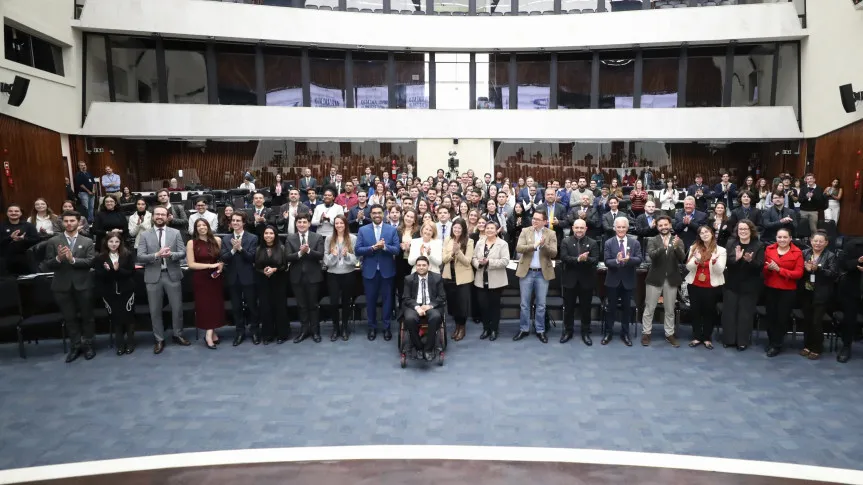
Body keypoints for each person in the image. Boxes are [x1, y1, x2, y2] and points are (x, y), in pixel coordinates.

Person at [44, 211, 96, 362]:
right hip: (62, 286)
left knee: (87, 317)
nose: (69, 223)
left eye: (72, 220)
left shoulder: (87, 241)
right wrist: (58, 258)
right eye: (66, 221)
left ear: (78, 222)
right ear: (62, 223)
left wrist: (73, 260)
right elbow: (48, 264)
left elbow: (90, 262)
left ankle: (88, 344)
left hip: (83, 284)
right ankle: (75, 345)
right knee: (70, 318)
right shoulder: (54, 241)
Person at [138, 206, 190, 354]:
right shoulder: (145, 235)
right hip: (153, 276)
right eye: (157, 214)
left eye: (163, 214)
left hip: (172, 274)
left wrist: (171, 255)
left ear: (167, 217)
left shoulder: (175, 233)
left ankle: (178, 335)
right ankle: (159, 339)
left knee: (177, 308)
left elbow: (182, 253)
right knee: (155, 311)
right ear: (153, 217)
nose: (160, 216)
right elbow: (140, 257)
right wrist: (156, 255)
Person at [355, 204, 401, 341]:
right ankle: (372, 328)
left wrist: (385, 247)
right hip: (370, 272)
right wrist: (373, 248)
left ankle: (387, 328)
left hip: (387, 272)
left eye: (379, 213)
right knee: (371, 301)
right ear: (370, 215)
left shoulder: (391, 230)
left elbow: (397, 250)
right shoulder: (363, 230)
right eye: (374, 213)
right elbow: (358, 250)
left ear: (383, 214)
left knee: (388, 301)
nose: (376, 215)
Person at [513, 211, 557, 344]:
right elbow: (519, 248)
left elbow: (554, 253)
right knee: (524, 304)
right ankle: (524, 329)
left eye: (538, 219)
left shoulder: (551, 233)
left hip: (542, 274)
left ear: (545, 221)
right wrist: (534, 246)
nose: (535, 221)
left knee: (541, 305)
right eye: (533, 219)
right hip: (527, 272)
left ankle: (540, 330)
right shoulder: (525, 231)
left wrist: (543, 246)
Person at [641, 215, 684, 347]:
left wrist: (676, 247)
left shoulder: (677, 240)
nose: (664, 227)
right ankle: (646, 333)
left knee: (670, 309)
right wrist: (663, 247)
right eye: (661, 225)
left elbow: (682, 258)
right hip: (654, 278)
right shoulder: (652, 240)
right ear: (657, 227)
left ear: (670, 225)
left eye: (666, 225)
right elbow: (652, 256)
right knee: (650, 308)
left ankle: (669, 334)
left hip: (671, 279)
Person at [721, 219, 764, 351]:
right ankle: (729, 340)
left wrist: (750, 261)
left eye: (745, 229)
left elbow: (760, 266)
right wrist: (736, 259)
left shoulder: (758, 245)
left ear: (751, 230)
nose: (743, 231)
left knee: (745, 314)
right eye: (740, 229)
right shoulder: (731, 243)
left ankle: (742, 341)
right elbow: (726, 262)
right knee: (729, 313)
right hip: (731, 284)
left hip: (750, 285)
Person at [762, 227, 804, 357]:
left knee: (781, 318)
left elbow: (799, 273)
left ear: (790, 238)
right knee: (770, 316)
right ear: (776, 238)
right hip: (770, 287)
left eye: (785, 237)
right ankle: (771, 340)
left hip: (787, 290)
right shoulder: (769, 249)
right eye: (779, 237)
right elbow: (763, 269)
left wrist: (780, 270)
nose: (782, 240)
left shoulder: (797, 252)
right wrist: (769, 269)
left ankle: (777, 344)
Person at [220, 212, 260, 346]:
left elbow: (252, 257)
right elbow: (224, 258)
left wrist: (240, 249)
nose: (235, 223)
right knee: (236, 307)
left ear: (243, 223)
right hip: (232, 278)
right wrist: (233, 250)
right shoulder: (226, 239)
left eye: (238, 220)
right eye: (233, 220)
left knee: (252, 306)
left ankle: (254, 331)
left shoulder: (253, 238)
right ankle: (239, 332)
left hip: (248, 277)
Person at [684, 225, 726, 350]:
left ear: (712, 233)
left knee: (709, 312)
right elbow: (688, 268)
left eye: (706, 232)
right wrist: (696, 260)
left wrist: (714, 261)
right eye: (701, 233)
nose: (704, 234)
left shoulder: (721, 250)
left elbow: (720, 270)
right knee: (695, 311)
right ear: (699, 236)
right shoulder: (694, 248)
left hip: (712, 286)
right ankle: (697, 336)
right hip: (695, 285)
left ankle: (707, 338)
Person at [602, 216, 642, 346]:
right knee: (611, 308)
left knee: (626, 309)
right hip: (612, 281)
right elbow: (607, 262)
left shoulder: (635, 243)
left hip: (628, 281)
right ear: (614, 228)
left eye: (623, 227)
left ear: (627, 228)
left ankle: (625, 333)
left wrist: (628, 260)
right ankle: (609, 332)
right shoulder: (608, 242)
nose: (621, 229)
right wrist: (618, 261)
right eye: (618, 227)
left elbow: (639, 259)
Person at [559, 219, 600, 346]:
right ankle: (568, 331)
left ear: (586, 229)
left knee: (585, 309)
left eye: (581, 228)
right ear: (572, 228)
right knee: (569, 309)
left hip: (586, 281)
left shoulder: (592, 242)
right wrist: (578, 259)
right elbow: (564, 258)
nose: (579, 230)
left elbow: (595, 260)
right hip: (569, 280)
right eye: (577, 228)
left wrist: (585, 259)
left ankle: (585, 332)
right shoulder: (566, 241)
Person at [94, 233, 136, 356]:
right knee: (116, 319)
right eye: (111, 241)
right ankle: (120, 344)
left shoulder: (127, 255)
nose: (114, 244)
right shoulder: (100, 258)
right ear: (106, 243)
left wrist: (117, 270)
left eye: (116, 242)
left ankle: (130, 343)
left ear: (120, 243)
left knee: (128, 318)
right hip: (110, 292)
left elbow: (131, 272)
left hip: (126, 291)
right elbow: (99, 275)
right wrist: (109, 271)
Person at [186, 218, 225, 349]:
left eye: (204, 225)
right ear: (195, 229)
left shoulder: (217, 240)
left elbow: (221, 259)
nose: (202, 227)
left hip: (215, 278)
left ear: (208, 226)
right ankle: (209, 335)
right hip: (201, 278)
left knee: (215, 305)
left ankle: (212, 333)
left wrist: (220, 266)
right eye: (199, 226)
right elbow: (191, 264)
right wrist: (210, 265)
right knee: (205, 306)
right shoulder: (191, 243)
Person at [799, 231, 838, 361]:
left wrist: (818, 269)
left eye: (821, 241)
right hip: (806, 291)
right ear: (811, 241)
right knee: (807, 320)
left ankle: (817, 347)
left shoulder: (831, 255)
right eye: (815, 240)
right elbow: (799, 271)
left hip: (822, 293)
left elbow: (833, 274)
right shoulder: (805, 253)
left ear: (826, 243)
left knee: (816, 322)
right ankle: (807, 345)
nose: (818, 243)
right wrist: (806, 269)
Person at [400, 256, 446, 361]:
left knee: (435, 317)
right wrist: (417, 307)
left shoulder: (437, 278)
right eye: (419, 265)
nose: (421, 267)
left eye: (424, 265)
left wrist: (429, 306)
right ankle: (419, 348)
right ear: (416, 267)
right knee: (410, 319)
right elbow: (406, 298)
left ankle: (428, 349)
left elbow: (442, 297)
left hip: (431, 305)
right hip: (414, 306)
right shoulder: (409, 279)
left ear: (428, 266)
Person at [472, 221, 510, 341]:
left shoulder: (502, 244)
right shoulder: (479, 242)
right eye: (487, 228)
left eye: (492, 228)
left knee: (494, 307)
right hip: (480, 279)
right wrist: (478, 263)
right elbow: (473, 258)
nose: (489, 230)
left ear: (497, 230)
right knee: (483, 306)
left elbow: (505, 261)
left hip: (496, 280)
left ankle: (494, 330)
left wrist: (489, 262)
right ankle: (486, 328)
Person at [324, 215, 357, 342]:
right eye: (336, 223)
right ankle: (335, 327)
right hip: (333, 274)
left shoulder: (352, 238)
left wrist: (347, 255)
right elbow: (326, 261)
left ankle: (344, 327)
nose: (339, 226)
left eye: (341, 223)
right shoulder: (328, 239)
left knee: (346, 303)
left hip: (348, 274)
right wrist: (333, 256)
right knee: (333, 303)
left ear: (345, 225)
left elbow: (355, 260)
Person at [255, 225, 290, 344]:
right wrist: (263, 271)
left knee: (280, 308)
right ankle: (267, 335)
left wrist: (275, 269)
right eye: (266, 233)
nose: (268, 235)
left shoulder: (282, 248)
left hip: (279, 281)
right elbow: (256, 266)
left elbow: (285, 266)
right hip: (263, 282)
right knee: (265, 308)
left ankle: (282, 334)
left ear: (275, 235)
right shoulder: (258, 249)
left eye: (271, 233)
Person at [441, 219, 474, 342]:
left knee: (462, 305)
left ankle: (462, 328)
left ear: (463, 229)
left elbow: (467, 261)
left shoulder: (469, 241)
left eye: (459, 228)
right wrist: (452, 254)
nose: (457, 230)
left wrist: (458, 252)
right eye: (455, 228)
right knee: (453, 304)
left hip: (463, 279)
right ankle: (457, 327)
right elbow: (444, 259)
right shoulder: (447, 240)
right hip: (449, 277)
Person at [836, 237, 863, 363]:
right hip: (852, 289)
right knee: (849, 320)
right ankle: (846, 347)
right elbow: (842, 265)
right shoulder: (852, 244)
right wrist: (857, 262)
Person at [396, 208, 420, 303]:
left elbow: (420, 246)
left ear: (414, 220)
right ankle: (402, 310)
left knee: (413, 288)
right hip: (400, 262)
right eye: (407, 216)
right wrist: (400, 246)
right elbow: (394, 245)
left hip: (414, 263)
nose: (409, 219)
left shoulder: (418, 231)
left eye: (411, 217)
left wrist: (410, 248)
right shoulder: (397, 230)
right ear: (404, 217)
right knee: (401, 287)